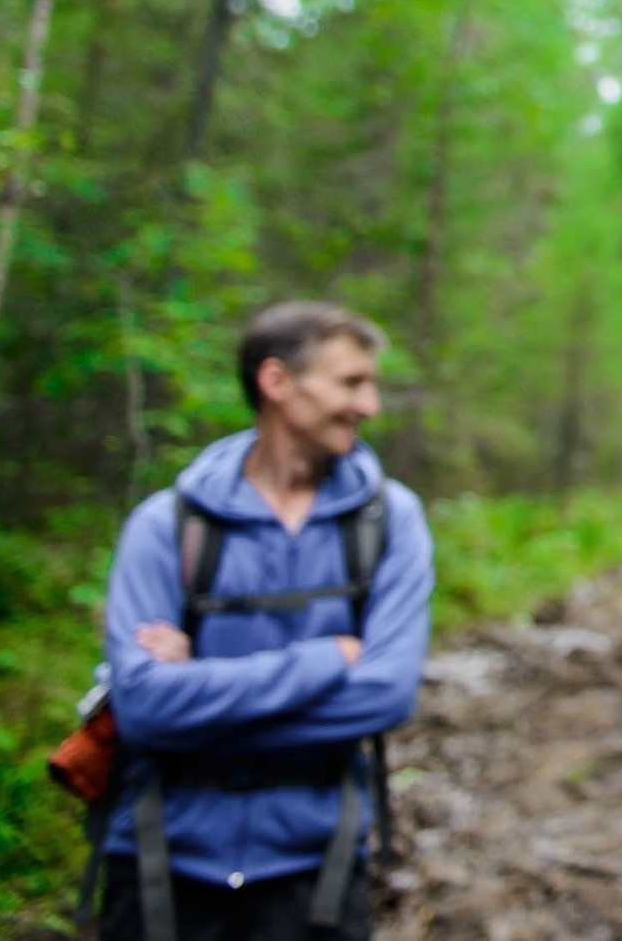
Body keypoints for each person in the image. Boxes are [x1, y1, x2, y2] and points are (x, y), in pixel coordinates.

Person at [94, 301, 434, 941]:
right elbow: (141, 710)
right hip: (158, 868)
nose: (369, 405)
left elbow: (387, 694)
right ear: (277, 382)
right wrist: (326, 661)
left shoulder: (390, 521)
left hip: (317, 871)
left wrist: (195, 693)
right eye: (351, 383)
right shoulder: (166, 525)